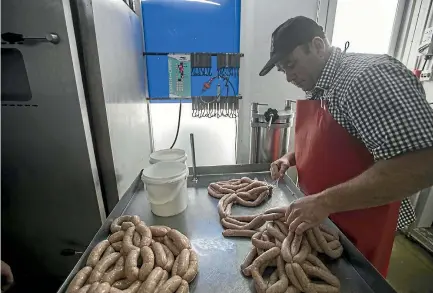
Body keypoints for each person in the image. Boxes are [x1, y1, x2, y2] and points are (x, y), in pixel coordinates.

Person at [262, 16, 433, 277]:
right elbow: (338, 144)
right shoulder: (321, 85)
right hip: (321, 223)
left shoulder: (366, 79)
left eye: (291, 65)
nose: (288, 77)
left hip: (358, 235)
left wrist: (324, 201)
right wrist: (291, 157)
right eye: (283, 70)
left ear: (317, 46)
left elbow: (422, 162)